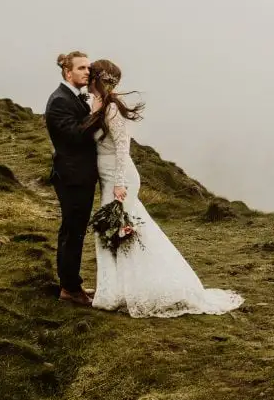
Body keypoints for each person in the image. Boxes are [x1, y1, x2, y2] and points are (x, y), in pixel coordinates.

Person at [86, 58, 243, 318]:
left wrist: (120, 182)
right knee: (115, 231)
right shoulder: (95, 104)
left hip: (119, 177)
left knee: (117, 231)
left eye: (91, 75)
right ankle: (113, 290)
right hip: (107, 176)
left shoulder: (111, 109)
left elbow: (123, 145)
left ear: (97, 79)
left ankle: (117, 292)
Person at [44, 51, 101, 306]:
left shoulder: (72, 96)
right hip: (72, 177)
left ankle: (72, 283)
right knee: (72, 231)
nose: (87, 72)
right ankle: (69, 289)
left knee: (76, 230)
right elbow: (76, 136)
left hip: (79, 175)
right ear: (68, 73)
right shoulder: (59, 100)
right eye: (81, 68)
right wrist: (96, 113)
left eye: (88, 68)